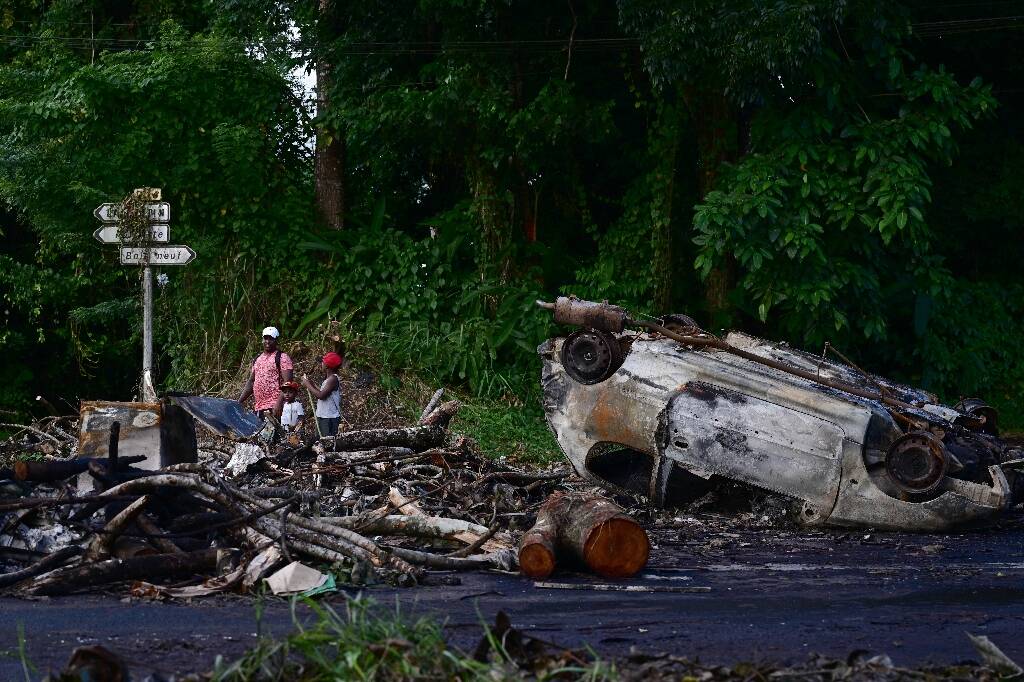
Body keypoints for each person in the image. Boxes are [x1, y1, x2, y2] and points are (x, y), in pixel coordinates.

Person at [238, 326, 294, 418]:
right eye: (265, 338)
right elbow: (252, 382)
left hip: (275, 406)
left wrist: (279, 403)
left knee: (275, 432)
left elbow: (288, 382)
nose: (267, 341)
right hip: (259, 407)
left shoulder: (282, 358)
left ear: (276, 340)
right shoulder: (257, 359)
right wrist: (239, 402)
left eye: (271, 338)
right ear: (262, 340)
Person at [302, 352, 342, 437]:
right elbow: (321, 393)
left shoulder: (333, 379)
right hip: (323, 416)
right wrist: (311, 384)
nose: (321, 364)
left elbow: (321, 396)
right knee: (320, 440)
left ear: (327, 366)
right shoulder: (329, 379)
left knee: (327, 443)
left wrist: (307, 384)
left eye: (323, 362)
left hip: (329, 418)